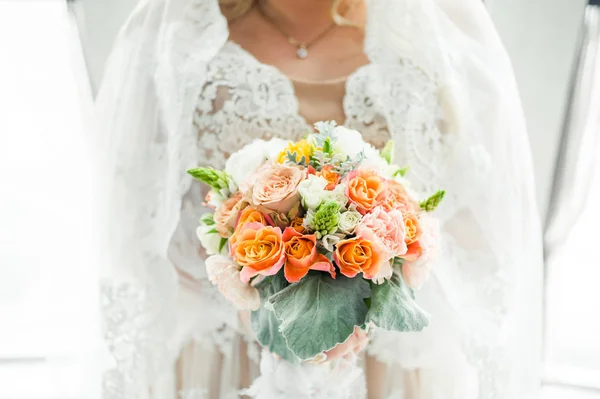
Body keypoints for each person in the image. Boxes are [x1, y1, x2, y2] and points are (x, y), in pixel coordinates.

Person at [96, 0, 544, 398]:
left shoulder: (443, 20)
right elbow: (132, 220)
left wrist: (379, 267)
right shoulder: (174, 23)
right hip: (226, 351)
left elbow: (484, 218)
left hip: (387, 362)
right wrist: (258, 296)